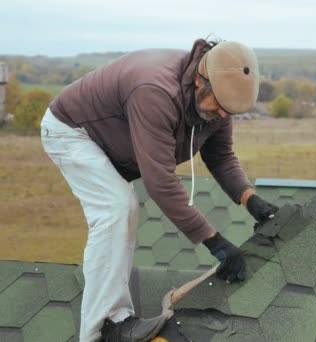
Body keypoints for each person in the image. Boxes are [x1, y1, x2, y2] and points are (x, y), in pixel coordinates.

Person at [40, 38, 278, 341]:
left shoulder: (218, 100)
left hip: (113, 145)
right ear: (200, 81)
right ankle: (105, 328)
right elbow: (161, 183)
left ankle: (114, 319)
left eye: (227, 111)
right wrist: (216, 243)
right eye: (219, 106)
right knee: (115, 207)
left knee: (121, 209)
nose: (221, 115)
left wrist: (250, 199)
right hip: (72, 131)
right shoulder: (156, 93)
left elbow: (220, 157)